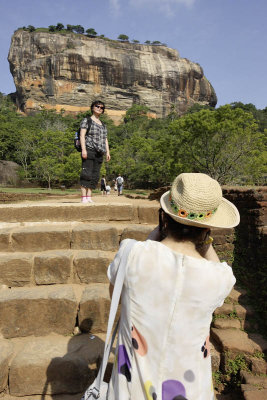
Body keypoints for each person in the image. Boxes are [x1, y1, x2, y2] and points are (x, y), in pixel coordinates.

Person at [107, 173, 240, 400]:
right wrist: (206, 240)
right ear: (208, 228)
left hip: (132, 388)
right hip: (190, 389)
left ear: (164, 218)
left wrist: (156, 235)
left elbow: (116, 295)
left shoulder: (131, 254)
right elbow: (220, 270)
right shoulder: (219, 277)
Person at [79, 100, 110, 203]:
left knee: (95, 175)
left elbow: (105, 139)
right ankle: (84, 197)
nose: (99, 109)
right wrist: (83, 149)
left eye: (102, 108)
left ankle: (89, 196)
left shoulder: (103, 124)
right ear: (92, 107)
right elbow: (82, 135)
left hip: (100, 152)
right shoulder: (87, 120)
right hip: (89, 149)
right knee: (86, 172)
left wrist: (108, 152)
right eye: (97, 106)